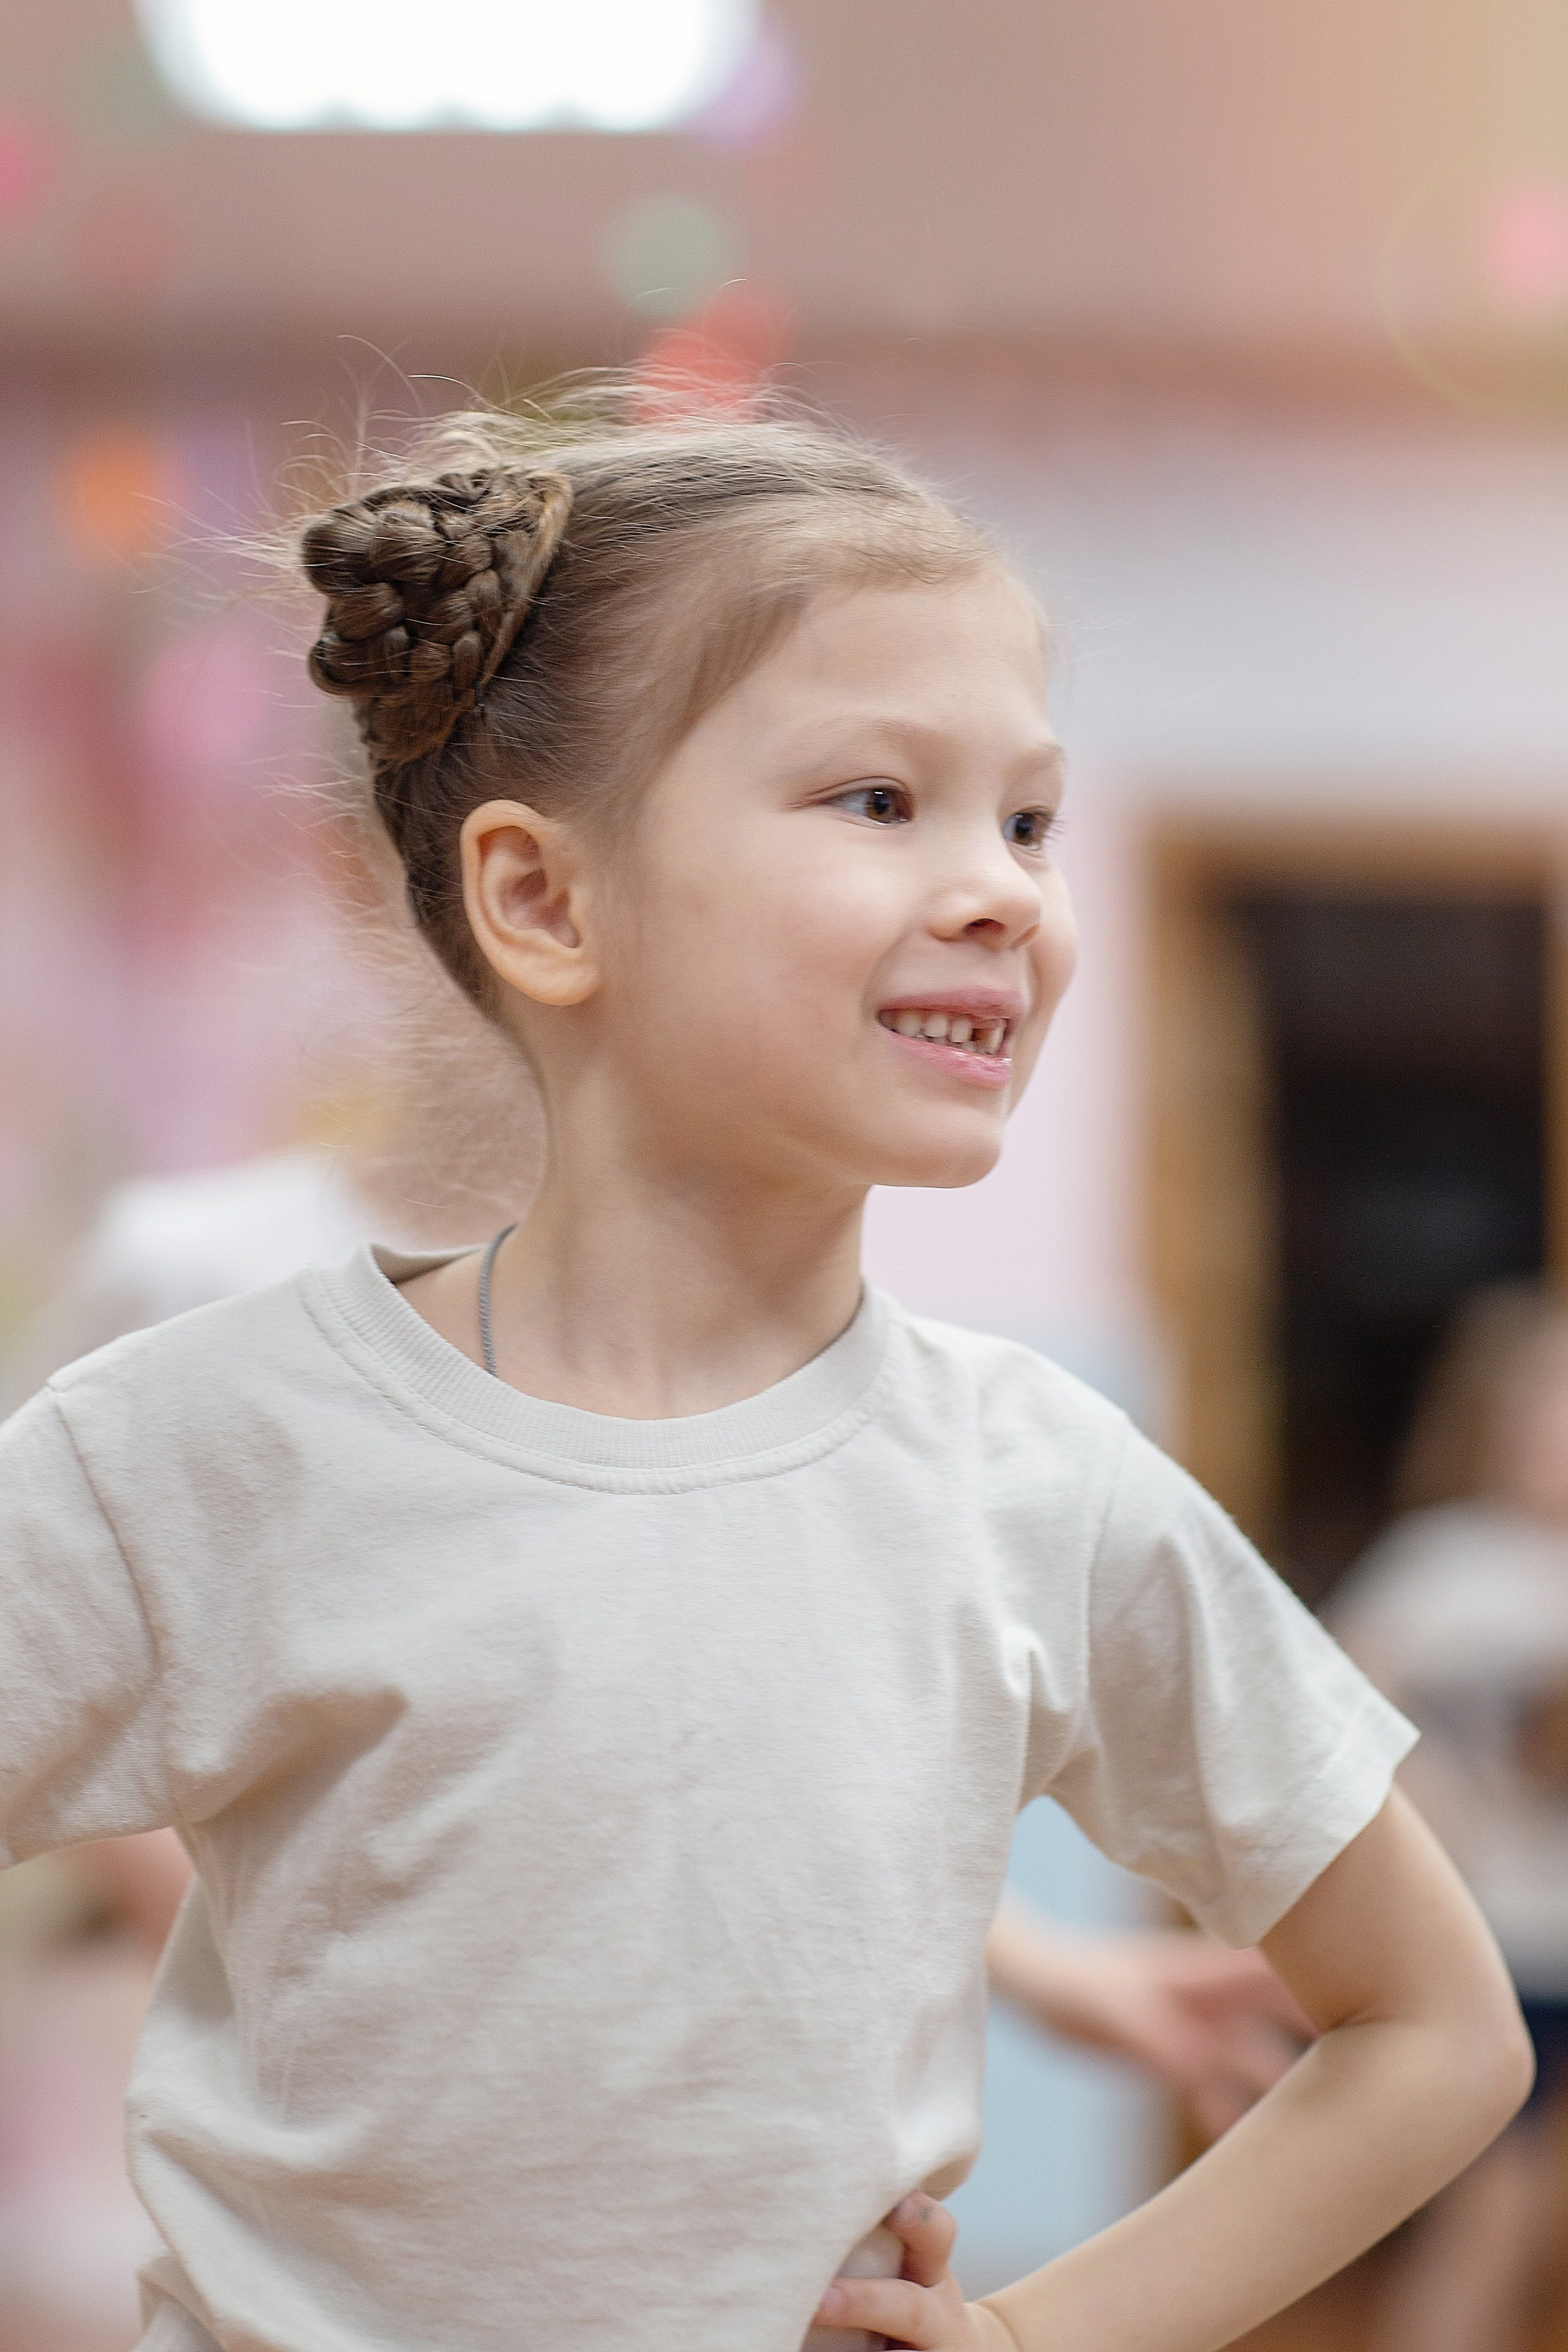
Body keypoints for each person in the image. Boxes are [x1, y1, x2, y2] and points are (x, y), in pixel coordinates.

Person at [0, 394, 1530, 2352]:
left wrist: (1032, 2337)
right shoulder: (199, 1449)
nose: (1004, 889)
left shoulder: (1039, 1484)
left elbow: (1434, 2029)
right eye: (881, 800)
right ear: (544, 901)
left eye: (1031, 817)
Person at [1334, 1284, 1568, 2352]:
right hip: (1486, 1944)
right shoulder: (1441, 1565)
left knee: (1534, 2213)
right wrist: (1421, 1800)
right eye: (1544, 1405)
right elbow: (1336, 1708)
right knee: (1489, 2208)